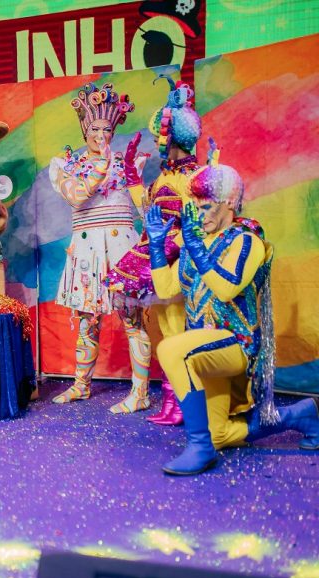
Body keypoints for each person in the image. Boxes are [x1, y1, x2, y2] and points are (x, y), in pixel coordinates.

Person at [147, 148, 318, 476]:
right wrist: (157, 249)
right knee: (221, 434)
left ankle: (198, 447)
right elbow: (166, 289)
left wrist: (194, 247)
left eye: (206, 206)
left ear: (228, 203)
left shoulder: (247, 241)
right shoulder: (195, 238)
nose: (200, 215)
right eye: (195, 207)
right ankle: (299, 415)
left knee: (171, 348)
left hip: (235, 346)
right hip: (205, 349)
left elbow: (226, 288)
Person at [49, 82, 152, 414]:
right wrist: (99, 168)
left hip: (122, 249)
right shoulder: (66, 166)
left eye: (107, 128)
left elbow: (143, 206)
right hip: (86, 250)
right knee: (87, 321)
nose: (101, 134)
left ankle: (140, 393)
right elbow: (76, 195)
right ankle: (81, 385)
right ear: (84, 128)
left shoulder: (129, 163)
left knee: (133, 320)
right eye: (95, 127)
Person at [105, 76, 202, 426]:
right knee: (165, 332)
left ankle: (185, 405)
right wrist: (132, 176)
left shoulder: (193, 178)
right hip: (158, 258)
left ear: (173, 138)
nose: (160, 143)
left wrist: (173, 247)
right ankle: (171, 402)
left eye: (163, 138)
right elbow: (149, 211)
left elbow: (199, 222)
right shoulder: (164, 178)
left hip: (179, 261)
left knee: (178, 333)